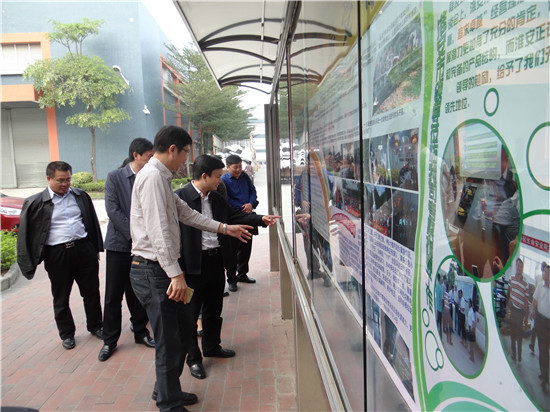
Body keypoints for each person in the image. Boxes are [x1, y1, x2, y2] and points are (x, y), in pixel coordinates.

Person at [128, 125, 252, 412]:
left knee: (182, 332)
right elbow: (158, 231)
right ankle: (169, 404)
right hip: (154, 270)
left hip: (161, 269)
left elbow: (186, 213)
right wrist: (175, 274)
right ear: (173, 149)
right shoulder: (153, 177)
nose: (186, 159)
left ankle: (165, 389)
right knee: (170, 340)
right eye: (185, 152)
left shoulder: (160, 177)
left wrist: (225, 228)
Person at [175, 154, 279, 380]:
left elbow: (234, 215)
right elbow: (172, 238)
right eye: (217, 176)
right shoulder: (180, 198)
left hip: (215, 261)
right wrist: (178, 269)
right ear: (204, 176)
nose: (220, 181)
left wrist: (260, 219)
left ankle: (212, 346)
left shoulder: (216, 197)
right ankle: (193, 359)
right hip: (191, 267)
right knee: (190, 315)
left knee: (214, 308)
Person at [17, 161, 104, 350]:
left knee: (91, 291)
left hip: (83, 250)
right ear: (48, 178)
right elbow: (26, 235)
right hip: (57, 254)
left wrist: (95, 248)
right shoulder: (35, 202)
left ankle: (96, 325)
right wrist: (28, 260)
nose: (65, 184)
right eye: (60, 180)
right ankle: (67, 334)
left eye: (68, 180)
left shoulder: (80, 196)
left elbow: (92, 221)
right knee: (61, 296)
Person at [98, 138, 155, 362]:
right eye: (149, 156)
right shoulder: (115, 177)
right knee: (113, 295)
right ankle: (109, 341)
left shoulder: (151, 177)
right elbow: (112, 210)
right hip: (120, 245)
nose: (152, 160)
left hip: (143, 248)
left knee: (138, 293)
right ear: (136, 155)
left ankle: (141, 332)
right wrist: (135, 235)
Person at [221, 154, 259, 292]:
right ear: (227, 167)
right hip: (234, 220)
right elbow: (226, 200)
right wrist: (243, 207)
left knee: (246, 248)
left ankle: (242, 274)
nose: (238, 170)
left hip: (248, 217)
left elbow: (252, 191)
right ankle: (232, 279)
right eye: (235, 167)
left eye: (240, 167)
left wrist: (250, 204)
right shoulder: (223, 181)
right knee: (232, 251)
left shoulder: (244, 177)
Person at [530, 264, 550, 394]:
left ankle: (544, 374)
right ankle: (544, 377)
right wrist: (532, 310)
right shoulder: (540, 286)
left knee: (546, 351)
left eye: (548, 273)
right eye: (545, 272)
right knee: (543, 351)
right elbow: (535, 299)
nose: (546, 275)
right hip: (541, 321)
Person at [506, 258, 529, 362]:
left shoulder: (526, 283)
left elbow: (526, 301)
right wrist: (507, 306)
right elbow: (508, 293)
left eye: (521, 266)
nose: (519, 268)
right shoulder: (511, 278)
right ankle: (513, 354)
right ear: (516, 266)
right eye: (518, 266)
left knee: (519, 335)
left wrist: (526, 317)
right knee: (512, 333)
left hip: (520, 312)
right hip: (513, 310)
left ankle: (519, 356)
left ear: (523, 268)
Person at [530, 261, 548, 354]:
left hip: (546, 316)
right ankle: (532, 344)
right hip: (538, 307)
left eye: (544, 266)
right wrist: (533, 309)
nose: (542, 268)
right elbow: (535, 289)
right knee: (535, 326)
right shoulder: (538, 277)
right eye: (542, 266)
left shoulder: (546, 279)